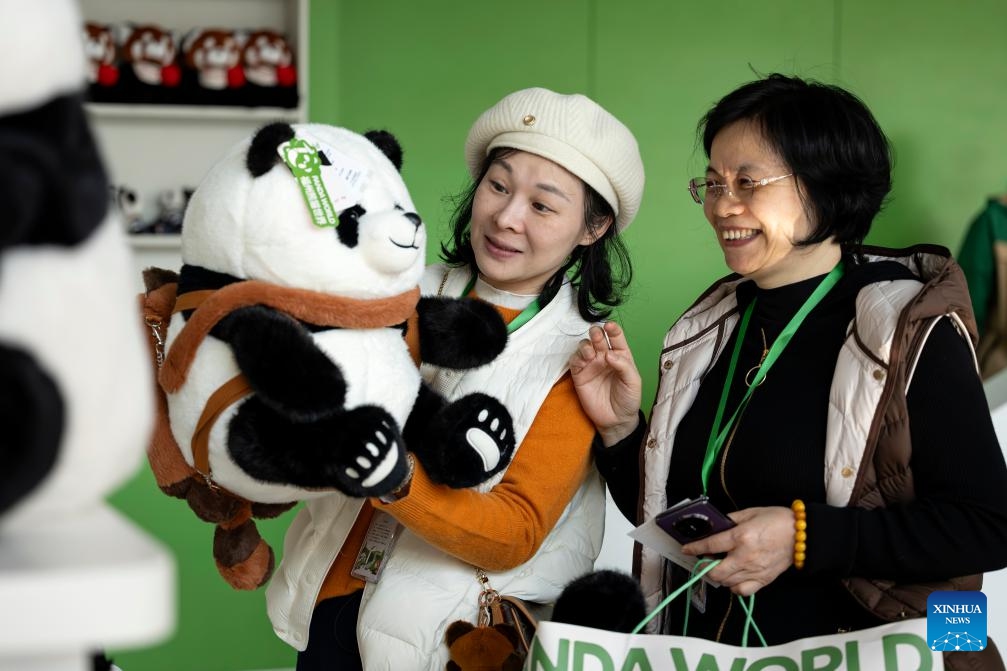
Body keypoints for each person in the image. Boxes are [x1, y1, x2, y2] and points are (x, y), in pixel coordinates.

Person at [570, 73, 1007, 665]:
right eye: (713, 183)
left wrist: (804, 538)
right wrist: (624, 433)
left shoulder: (905, 324)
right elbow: (684, 521)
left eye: (748, 182)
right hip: (726, 652)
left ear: (825, 187)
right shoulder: (710, 328)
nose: (723, 206)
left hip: (882, 651)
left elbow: (986, 525)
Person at [268, 87, 645, 669]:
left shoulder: (581, 358)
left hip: (446, 639)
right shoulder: (398, 285)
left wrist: (392, 478)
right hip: (328, 601)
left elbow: (515, 530)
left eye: (543, 206)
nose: (506, 216)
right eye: (498, 185)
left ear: (592, 229)